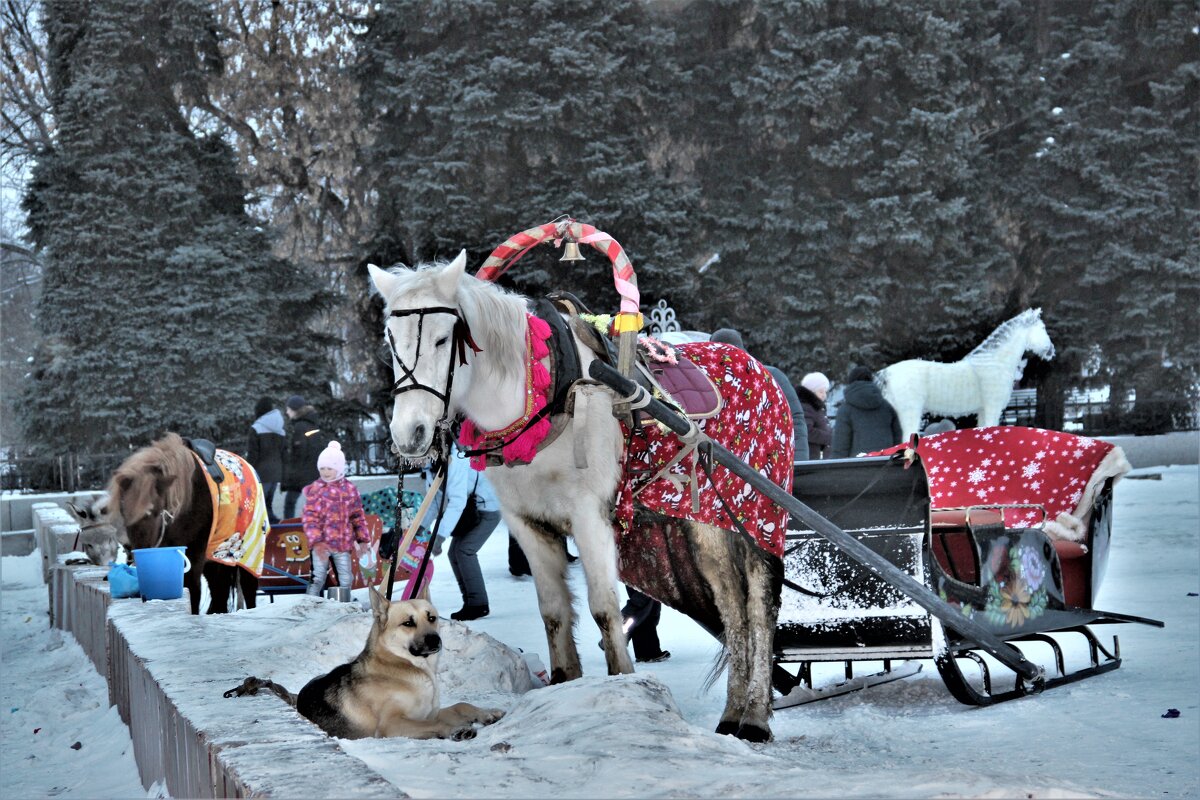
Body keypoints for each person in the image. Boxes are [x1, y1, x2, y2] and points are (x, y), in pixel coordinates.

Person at [419, 445, 502, 620]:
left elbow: (457, 501)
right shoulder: (431, 465)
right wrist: (419, 528)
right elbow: (435, 502)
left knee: (465, 551)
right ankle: (471, 602)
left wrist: (439, 537)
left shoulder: (456, 459)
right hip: (471, 510)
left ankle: (478, 604)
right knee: (455, 553)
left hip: (487, 509)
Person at [709, 328, 809, 460]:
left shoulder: (770, 376)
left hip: (767, 456)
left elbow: (794, 419)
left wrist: (799, 461)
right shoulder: (711, 381)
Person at [302, 441, 370, 597]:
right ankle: (309, 604)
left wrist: (363, 539)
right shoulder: (316, 489)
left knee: (346, 578)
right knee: (318, 577)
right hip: (321, 546)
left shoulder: (349, 489)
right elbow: (309, 518)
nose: (325, 472)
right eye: (322, 468)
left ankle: (343, 604)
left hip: (342, 544)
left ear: (339, 468)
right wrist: (316, 540)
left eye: (329, 468)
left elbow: (357, 516)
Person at [831, 366, 904, 458]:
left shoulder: (845, 410)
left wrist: (835, 468)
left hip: (856, 466)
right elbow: (897, 437)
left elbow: (840, 444)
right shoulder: (886, 407)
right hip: (885, 463)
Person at [281, 394, 324, 520]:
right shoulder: (312, 424)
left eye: (288, 409)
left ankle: (288, 527)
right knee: (315, 502)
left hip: (301, 474)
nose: (287, 412)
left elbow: (299, 453)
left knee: (289, 502)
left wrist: (292, 475)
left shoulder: (300, 427)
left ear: (295, 409)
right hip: (312, 471)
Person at [247, 396, 285, 524]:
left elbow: (253, 454)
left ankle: (262, 529)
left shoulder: (256, 428)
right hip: (276, 471)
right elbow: (284, 452)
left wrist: (248, 470)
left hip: (261, 472)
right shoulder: (280, 429)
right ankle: (272, 523)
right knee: (268, 502)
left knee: (259, 504)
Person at [798, 372, 833, 459]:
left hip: (818, 455)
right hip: (812, 456)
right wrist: (829, 437)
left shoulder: (816, 406)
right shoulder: (806, 406)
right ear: (811, 391)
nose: (824, 395)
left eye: (825, 392)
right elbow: (807, 431)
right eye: (821, 391)